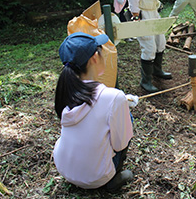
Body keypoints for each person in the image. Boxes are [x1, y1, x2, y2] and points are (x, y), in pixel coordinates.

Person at [53, 32, 138, 192]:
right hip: (96, 178)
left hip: (65, 169)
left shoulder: (67, 90)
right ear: (94, 58)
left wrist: (121, 100)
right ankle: (113, 178)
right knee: (129, 119)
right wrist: (123, 106)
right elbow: (120, 144)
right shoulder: (113, 97)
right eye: (101, 49)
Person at [127, 0, 172, 93]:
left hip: (153, 10)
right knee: (149, 46)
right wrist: (135, 15)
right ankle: (145, 81)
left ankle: (157, 71)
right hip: (142, 12)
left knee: (160, 41)